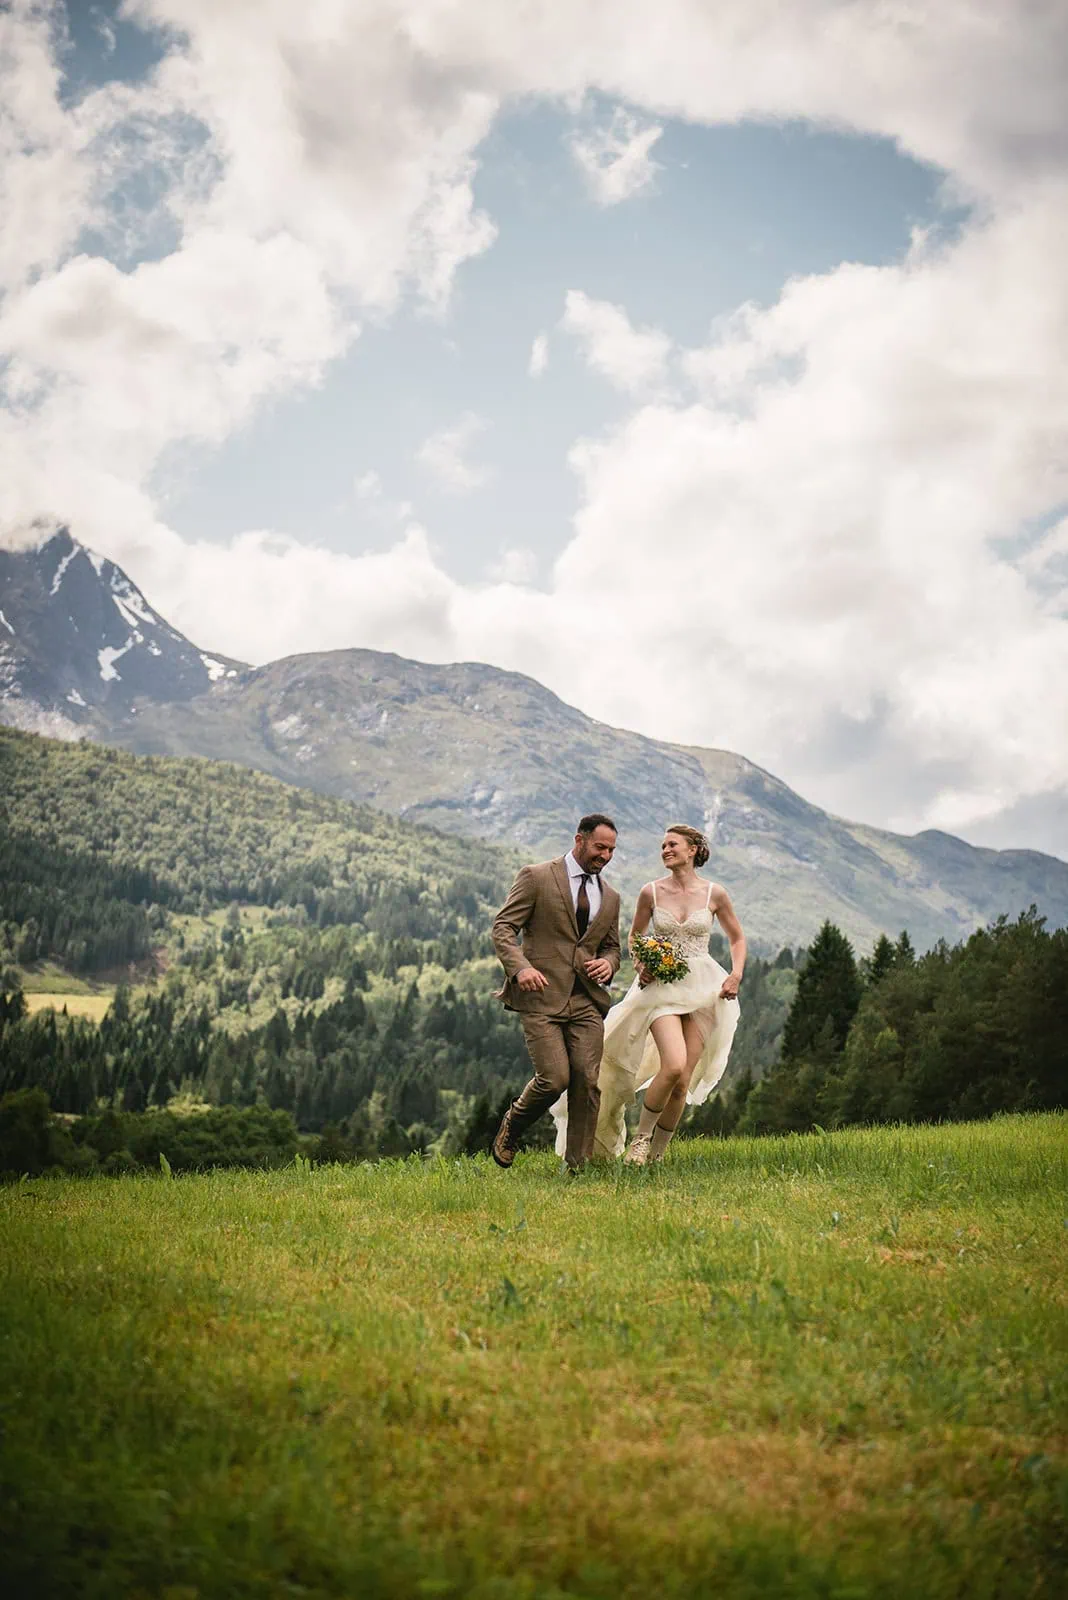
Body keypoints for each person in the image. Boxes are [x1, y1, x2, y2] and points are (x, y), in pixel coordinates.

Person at [552, 823, 745, 1165]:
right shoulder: (650, 893)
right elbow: (634, 937)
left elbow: (736, 938)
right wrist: (643, 963)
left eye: (673, 845)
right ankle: (641, 1140)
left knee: (683, 1080)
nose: (666, 850)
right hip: (663, 989)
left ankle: (657, 1155)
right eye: (663, 846)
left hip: (703, 988)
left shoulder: (715, 893)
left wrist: (735, 974)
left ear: (693, 850)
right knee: (671, 1066)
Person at [490, 814, 622, 1172]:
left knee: (587, 1082)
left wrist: (609, 965)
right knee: (554, 1079)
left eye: (611, 849)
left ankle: (577, 1168)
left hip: (587, 1001)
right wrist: (520, 969)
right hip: (541, 997)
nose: (605, 856)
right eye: (600, 847)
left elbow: (612, 948)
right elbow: (504, 928)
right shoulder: (536, 877)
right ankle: (513, 1125)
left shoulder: (611, 897)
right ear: (579, 839)